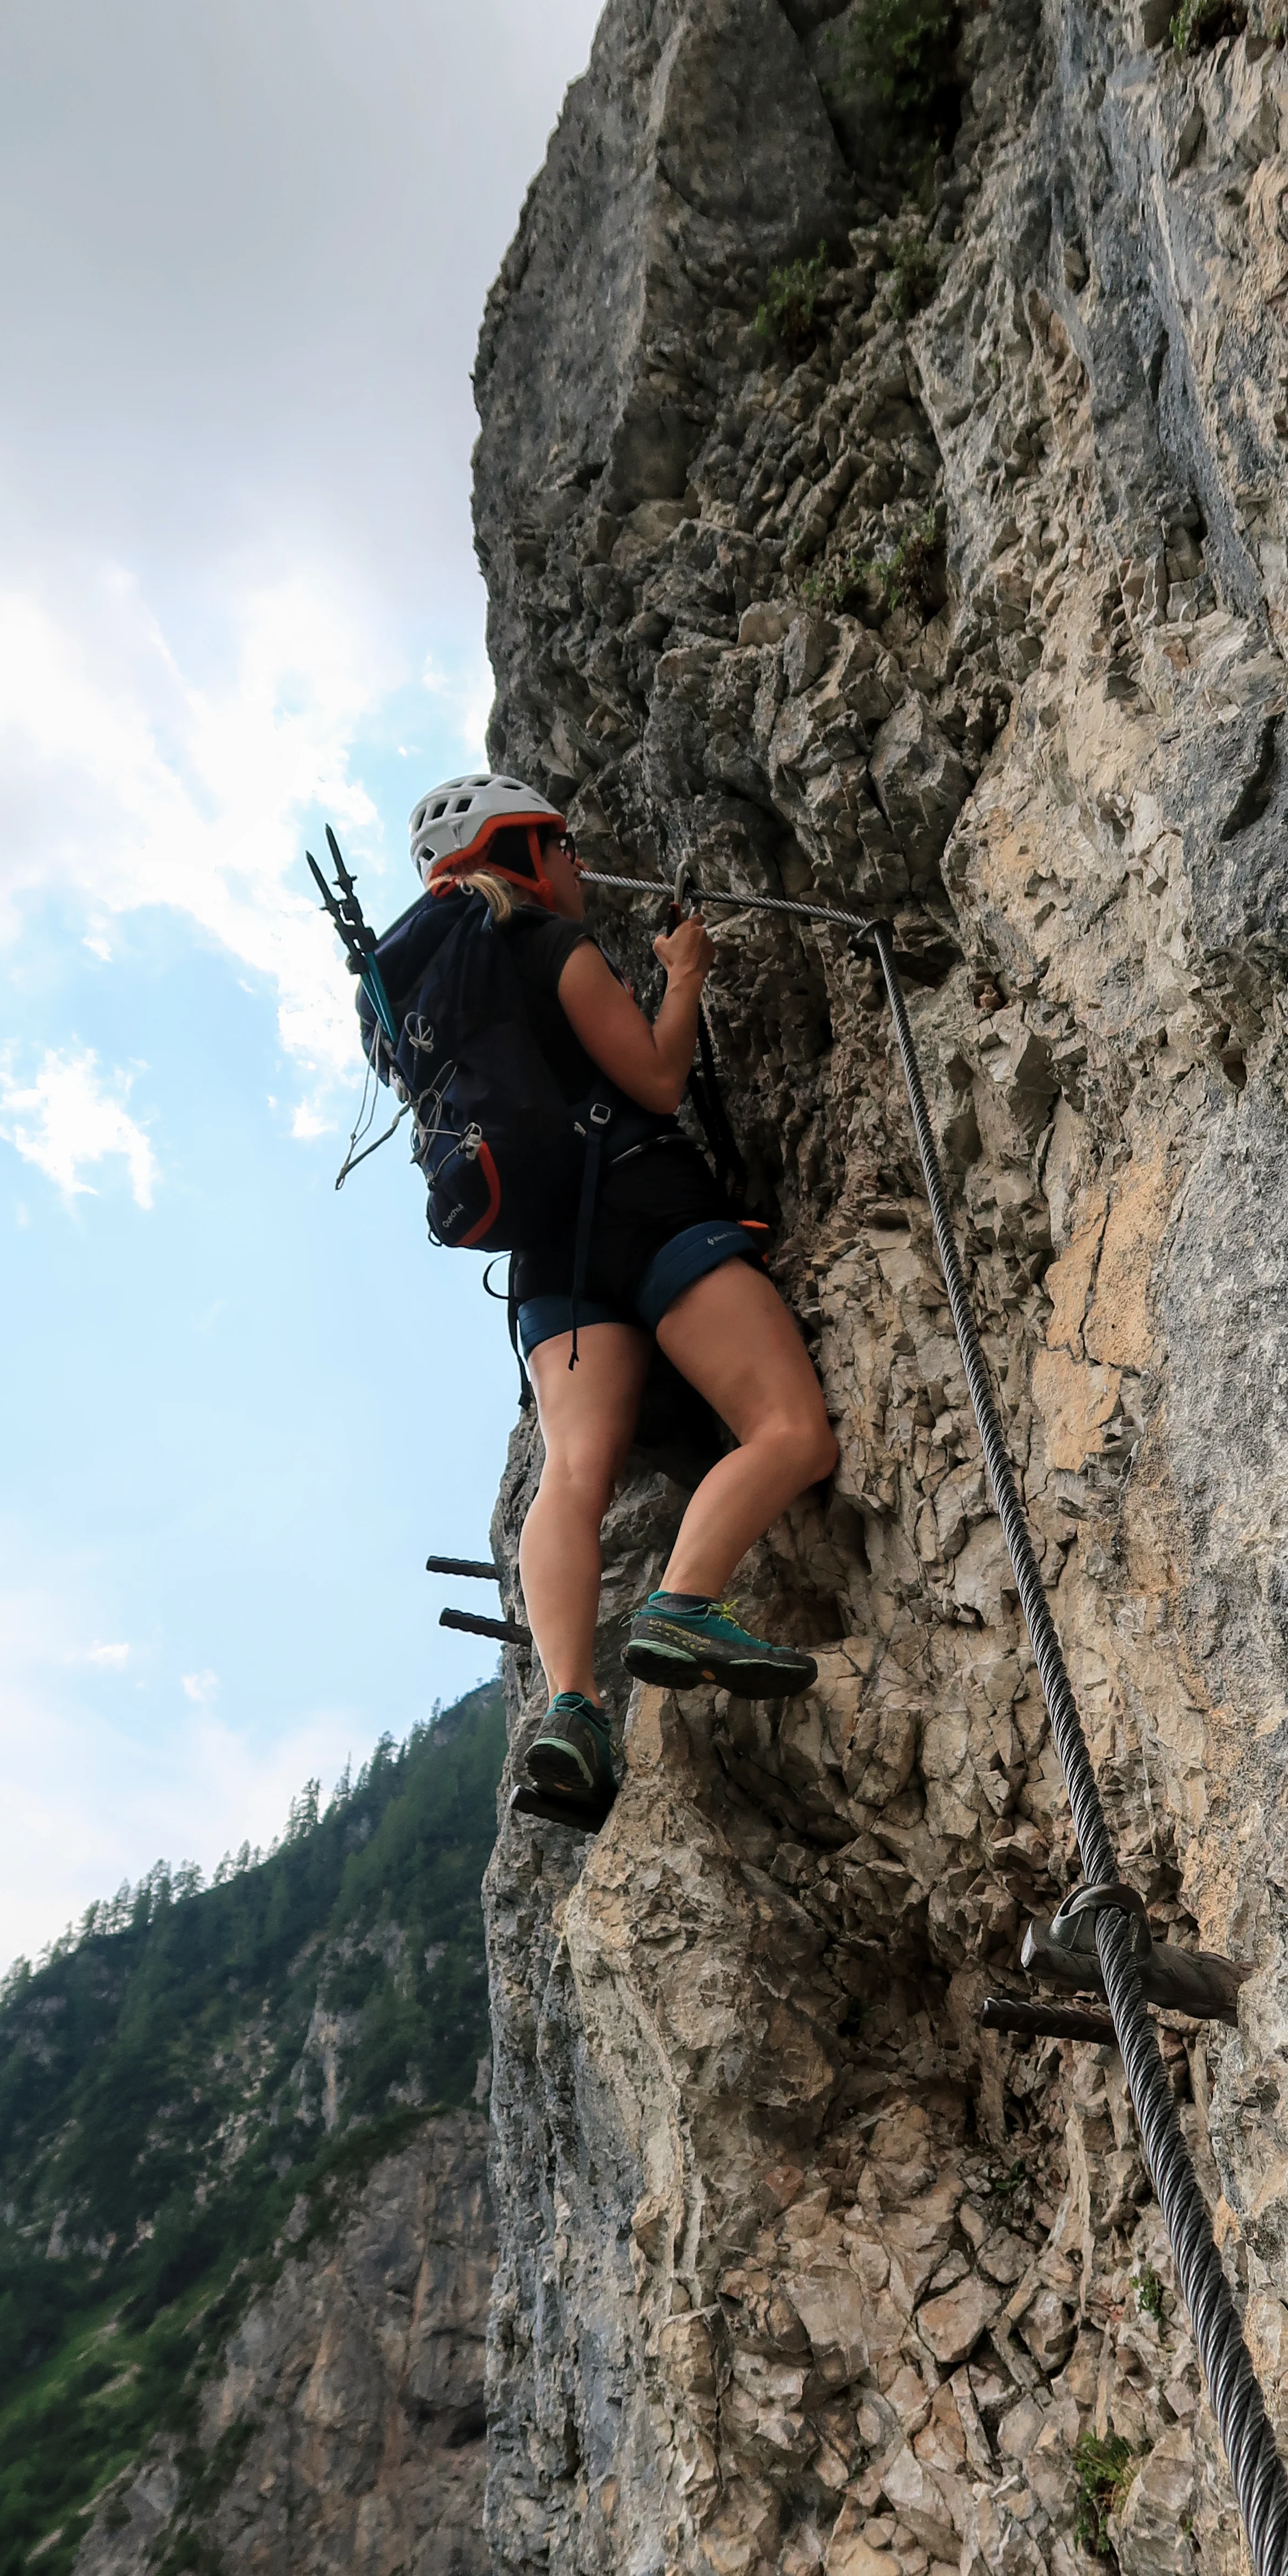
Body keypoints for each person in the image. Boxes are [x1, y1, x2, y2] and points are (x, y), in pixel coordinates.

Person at [407, 774, 838, 1822]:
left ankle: (571, 1708)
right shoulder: (554, 948)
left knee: (573, 1473)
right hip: (646, 1207)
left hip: (549, 1263)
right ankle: (685, 1603)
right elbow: (653, 1078)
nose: (579, 863)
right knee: (789, 1430)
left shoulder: (438, 1004)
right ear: (520, 850)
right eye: (560, 843)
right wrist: (683, 975)